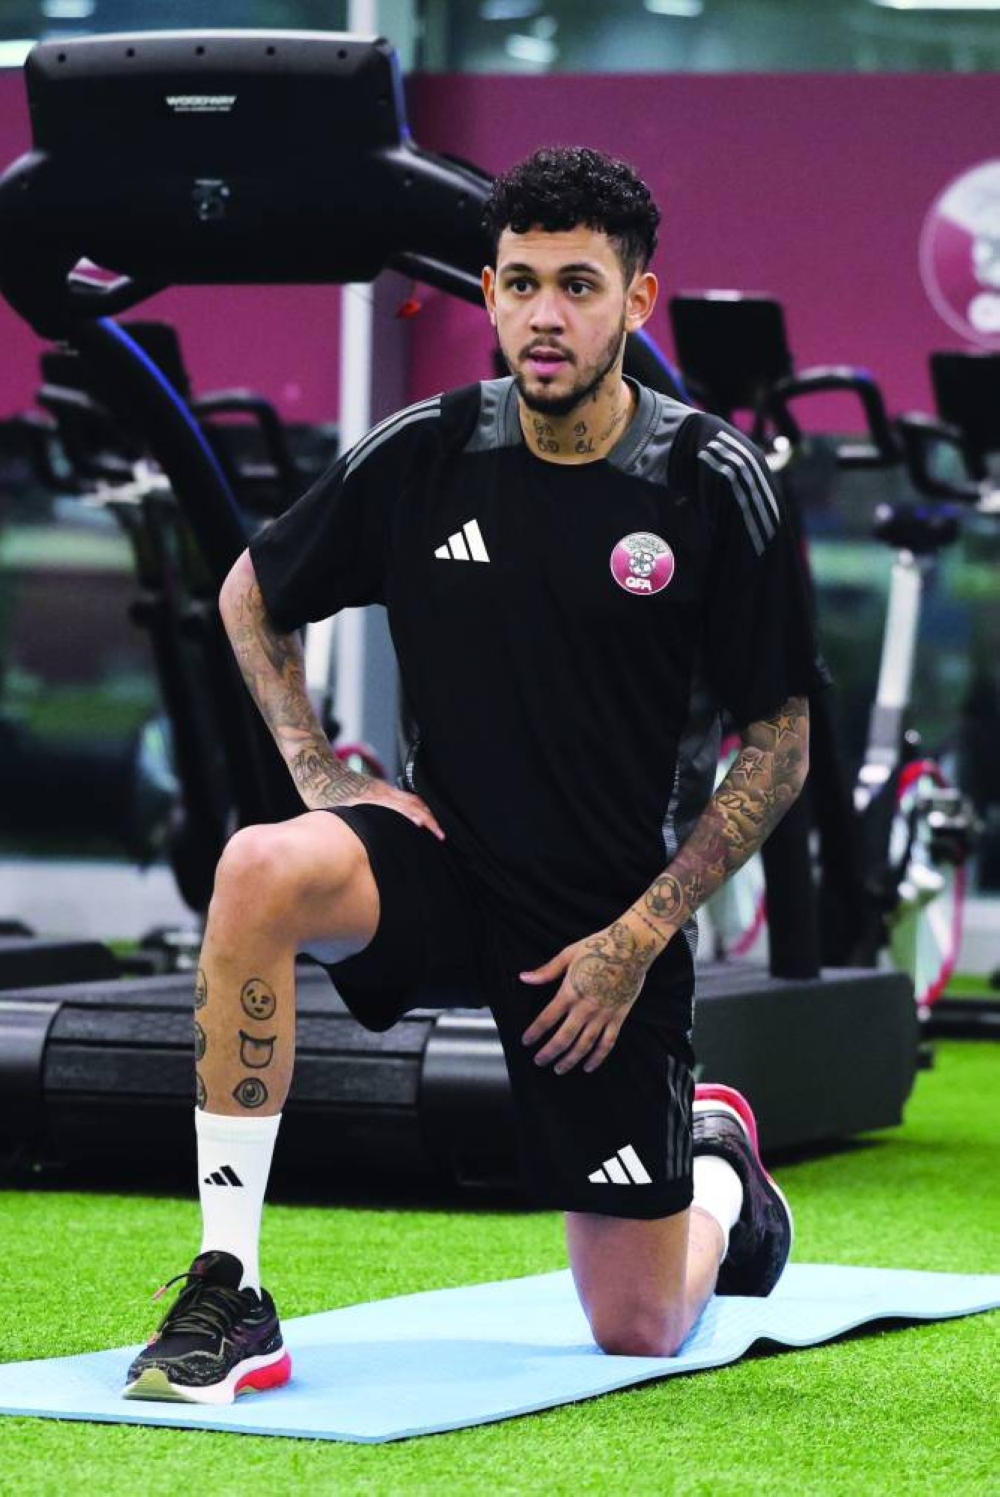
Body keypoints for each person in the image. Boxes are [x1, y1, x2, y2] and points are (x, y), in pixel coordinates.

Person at [124, 146, 827, 1404]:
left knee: (638, 1327)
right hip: (442, 869)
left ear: (636, 301)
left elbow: (779, 743)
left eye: (577, 286)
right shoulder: (426, 453)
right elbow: (249, 594)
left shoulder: (711, 483)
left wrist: (640, 938)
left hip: (601, 929)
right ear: (490, 295)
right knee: (260, 866)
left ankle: (720, 1169)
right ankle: (229, 1283)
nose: (545, 315)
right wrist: (321, 775)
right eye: (520, 284)